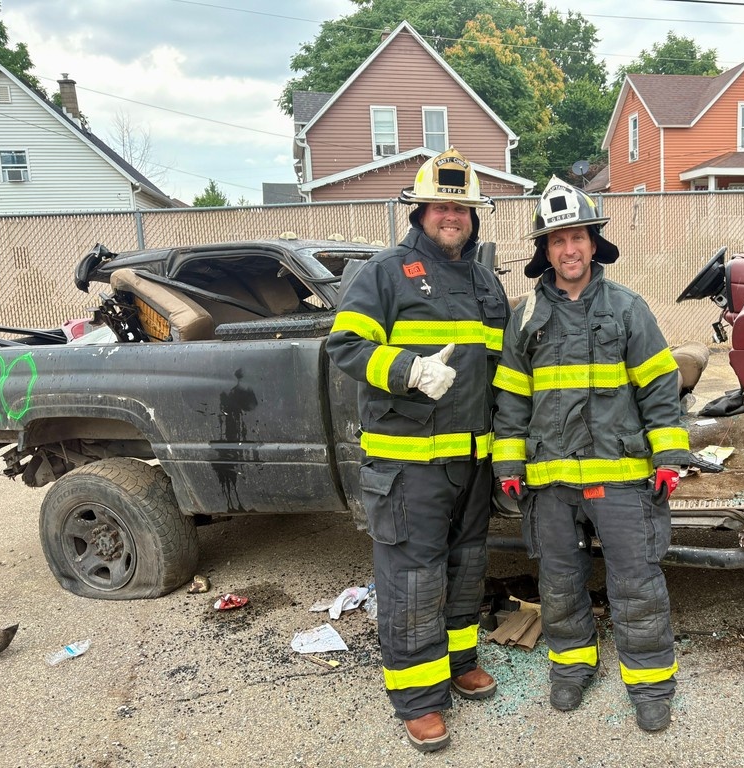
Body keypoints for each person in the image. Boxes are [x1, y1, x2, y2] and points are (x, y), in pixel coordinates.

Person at [492, 176, 705, 733]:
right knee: (560, 582)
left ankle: (651, 682)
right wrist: (509, 466)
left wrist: (668, 457)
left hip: (622, 479)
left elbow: (660, 389)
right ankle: (570, 668)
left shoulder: (628, 309)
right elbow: (511, 398)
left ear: (593, 243)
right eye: (558, 239)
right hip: (551, 482)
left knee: (636, 583)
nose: (569, 249)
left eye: (579, 237)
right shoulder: (526, 318)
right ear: (545, 250)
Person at [326, 148, 508, 752]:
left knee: (465, 572)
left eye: (462, 207)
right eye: (441, 206)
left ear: (474, 215)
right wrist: (407, 370)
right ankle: (418, 698)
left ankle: (458, 666)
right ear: (420, 211)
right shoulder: (384, 273)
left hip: (472, 462)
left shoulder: (486, 281)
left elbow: (502, 367)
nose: (451, 215)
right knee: (412, 581)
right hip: (409, 465)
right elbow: (345, 346)